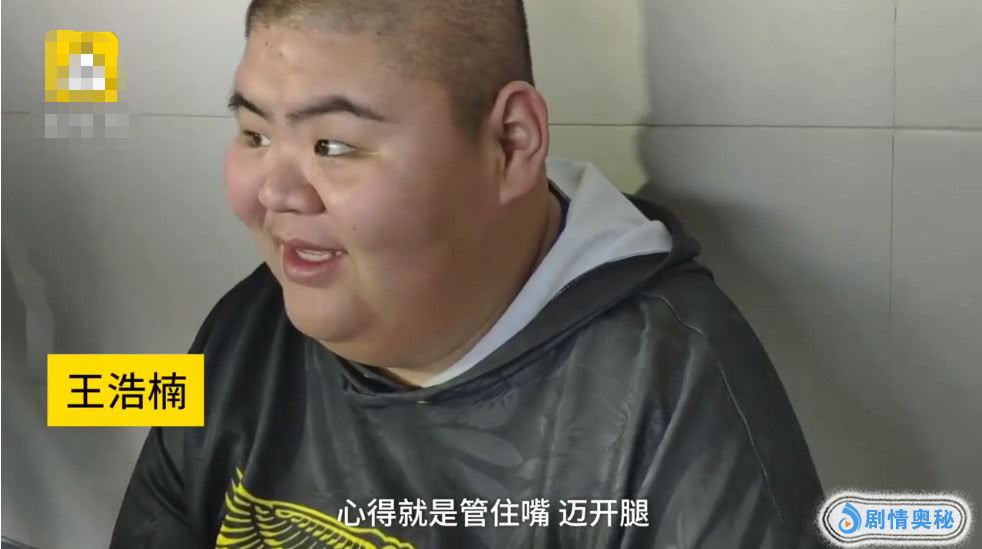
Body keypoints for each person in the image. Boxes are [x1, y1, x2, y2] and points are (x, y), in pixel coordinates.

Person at [110, 1, 825, 547]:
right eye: (255, 134)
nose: (276, 193)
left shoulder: (671, 390)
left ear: (511, 142)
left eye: (334, 144)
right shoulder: (246, 331)